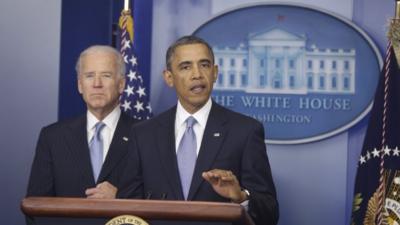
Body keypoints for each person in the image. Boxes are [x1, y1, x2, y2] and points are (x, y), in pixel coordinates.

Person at [129, 36, 279, 225]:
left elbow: (270, 212)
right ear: (169, 77)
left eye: (205, 65)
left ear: (215, 73)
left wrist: (241, 197)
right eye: (185, 67)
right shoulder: (144, 134)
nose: (197, 74)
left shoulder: (245, 131)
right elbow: (130, 208)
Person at [27, 45, 139, 199]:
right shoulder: (53, 138)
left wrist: (120, 199)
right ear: (80, 85)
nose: (97, 84)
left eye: (106, 75)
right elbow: (36, 206)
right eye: (89, 76)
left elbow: (158, 202)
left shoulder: (145, 135)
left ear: (121, 84)